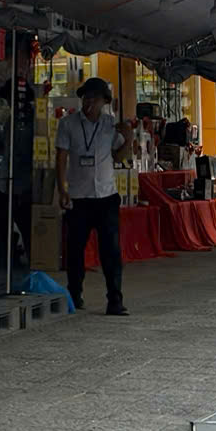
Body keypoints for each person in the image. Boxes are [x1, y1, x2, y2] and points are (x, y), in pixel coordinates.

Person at [55, 77, 131, 317]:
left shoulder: (110, 125)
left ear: (104, 102)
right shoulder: (68, 124)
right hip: (79, 196)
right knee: (75, 249)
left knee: (111, 249)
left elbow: (119, 157)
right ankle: (74, 294)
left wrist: (128, 137)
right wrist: (62, 189)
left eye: (94, 98)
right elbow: (61, 158)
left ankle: (115, 300)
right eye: (86, 97)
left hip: (106, 195)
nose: (89, 102)